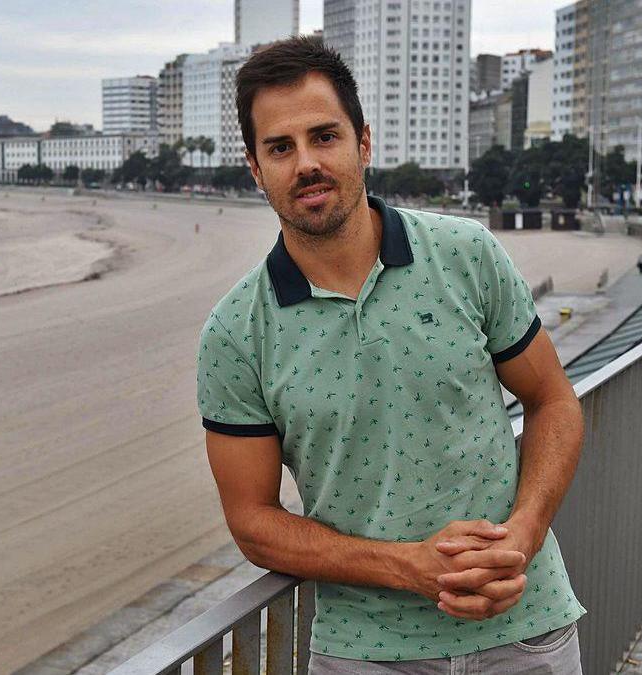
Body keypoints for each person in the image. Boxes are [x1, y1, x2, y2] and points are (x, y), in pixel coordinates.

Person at [197, 37, 586, 674]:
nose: (306, 164)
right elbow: (253, 521)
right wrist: (408, 567)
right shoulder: (236, 332)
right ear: (254, 167)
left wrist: (524, 533)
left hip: (525, 627)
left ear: (363, 142)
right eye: (280, 147)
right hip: (366, 655)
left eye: (324, 136)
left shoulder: (465, 253)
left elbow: (553, 402)